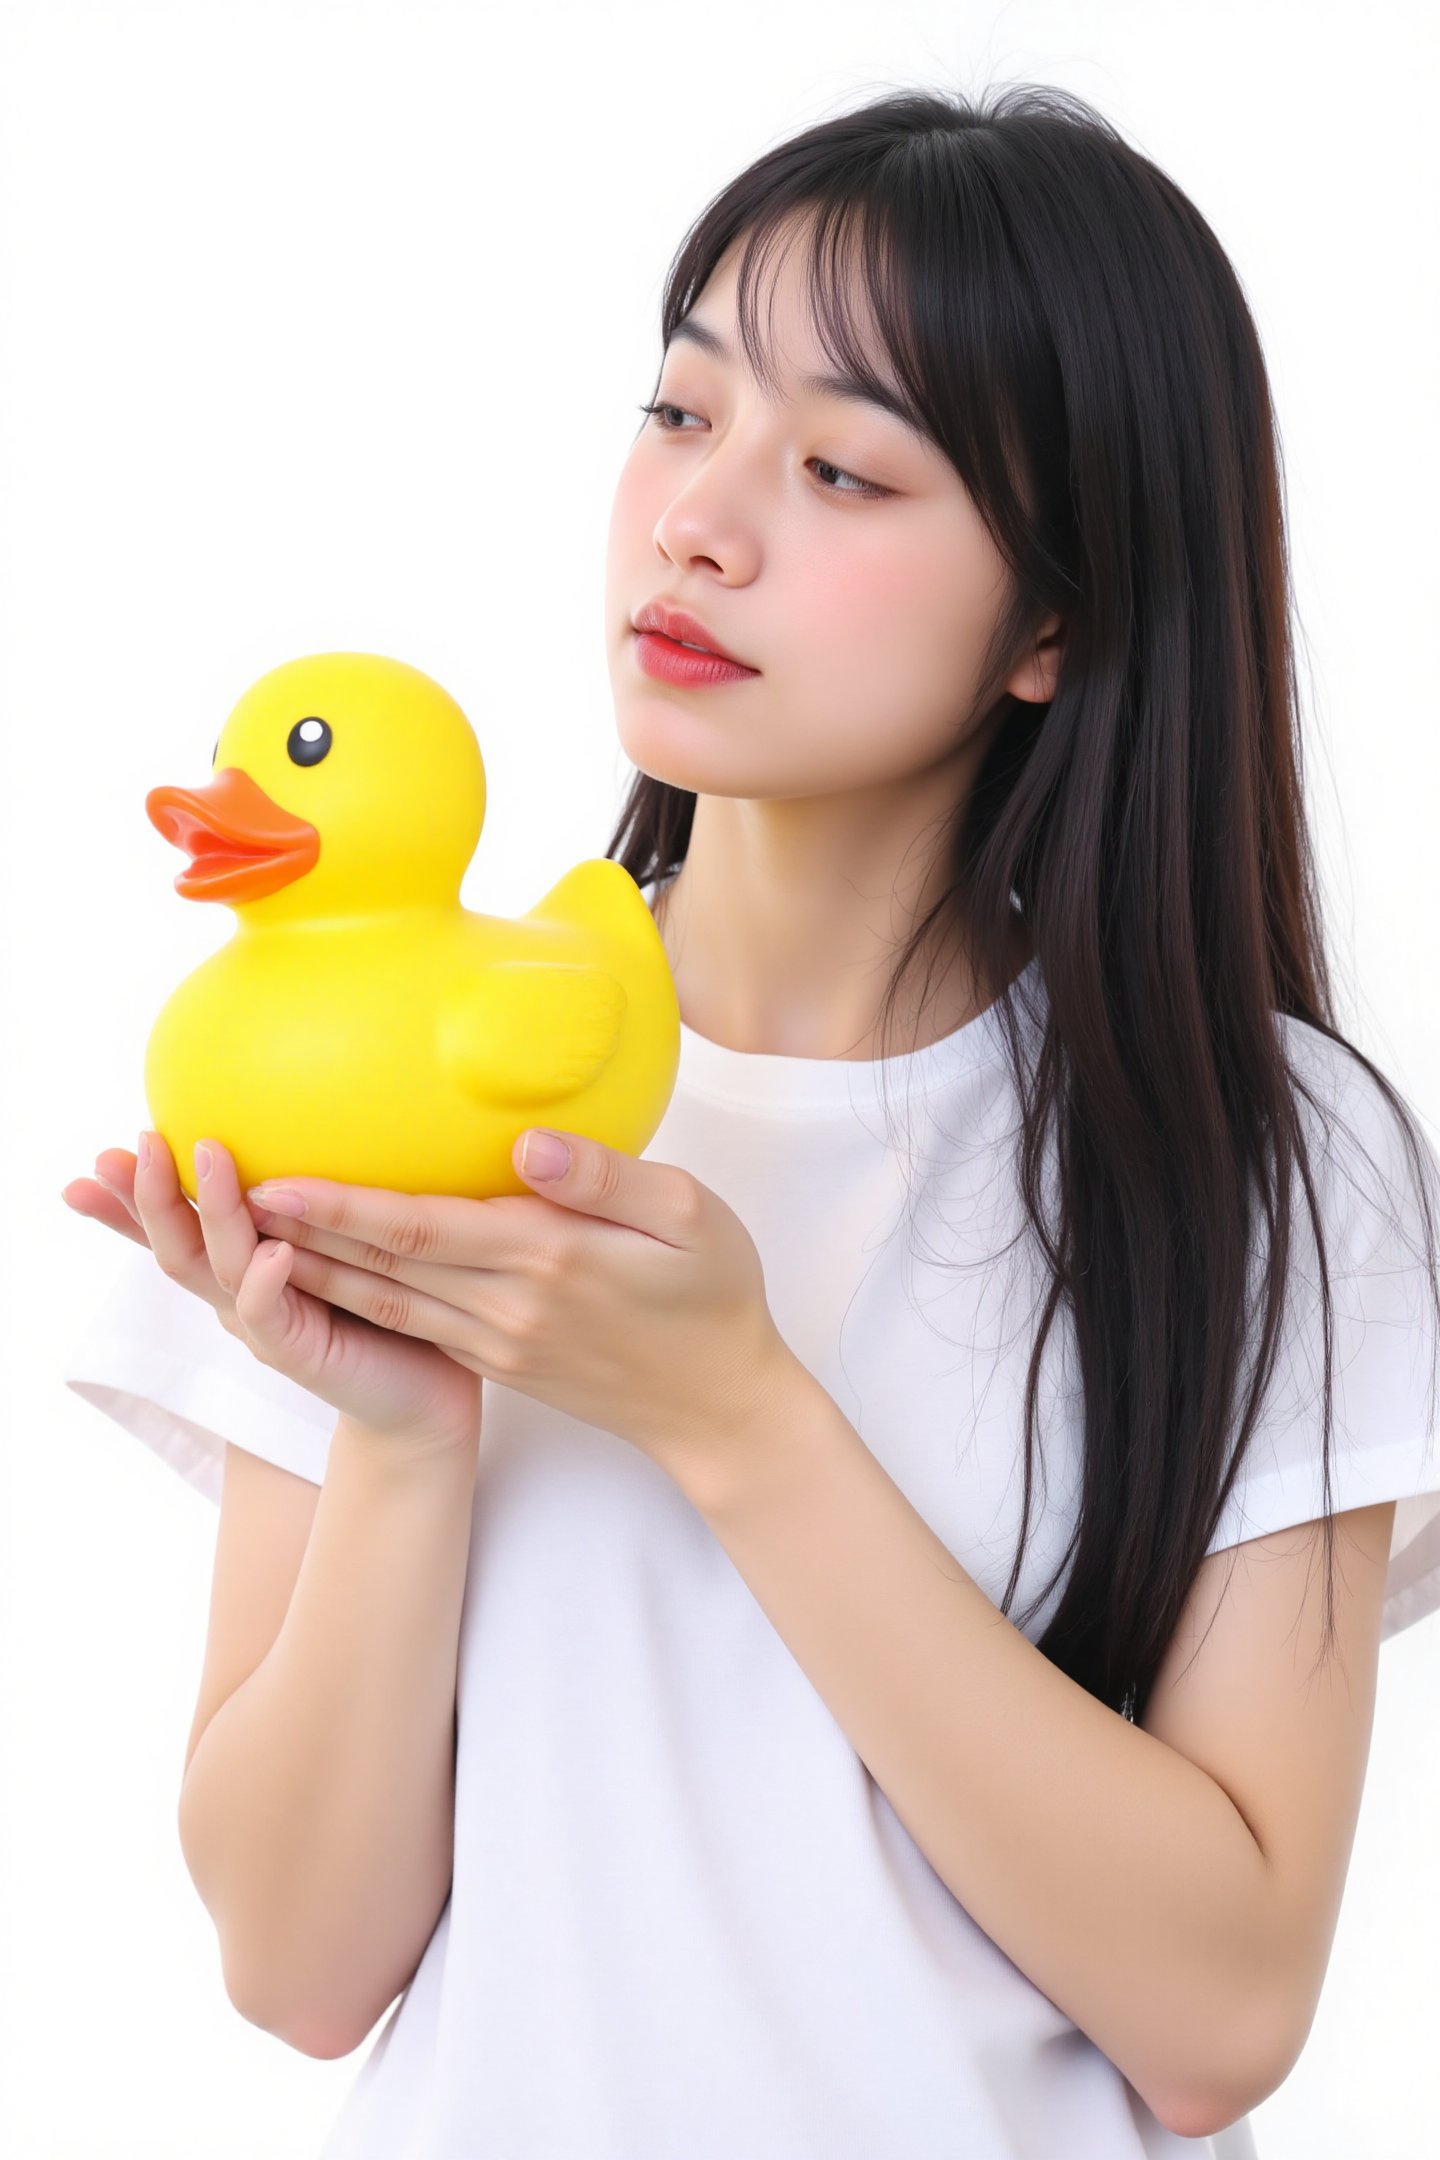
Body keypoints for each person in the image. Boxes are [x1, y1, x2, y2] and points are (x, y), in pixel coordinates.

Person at [61, 82, 1439, 2160]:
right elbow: (298, 1969)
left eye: (847, 467)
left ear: (1058, 621)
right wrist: (405, 1431)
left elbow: (1221, 2011)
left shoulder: (1259, 1156)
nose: (700, 524)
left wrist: (734, 1413)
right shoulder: (403, 1068)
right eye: (684, 413)